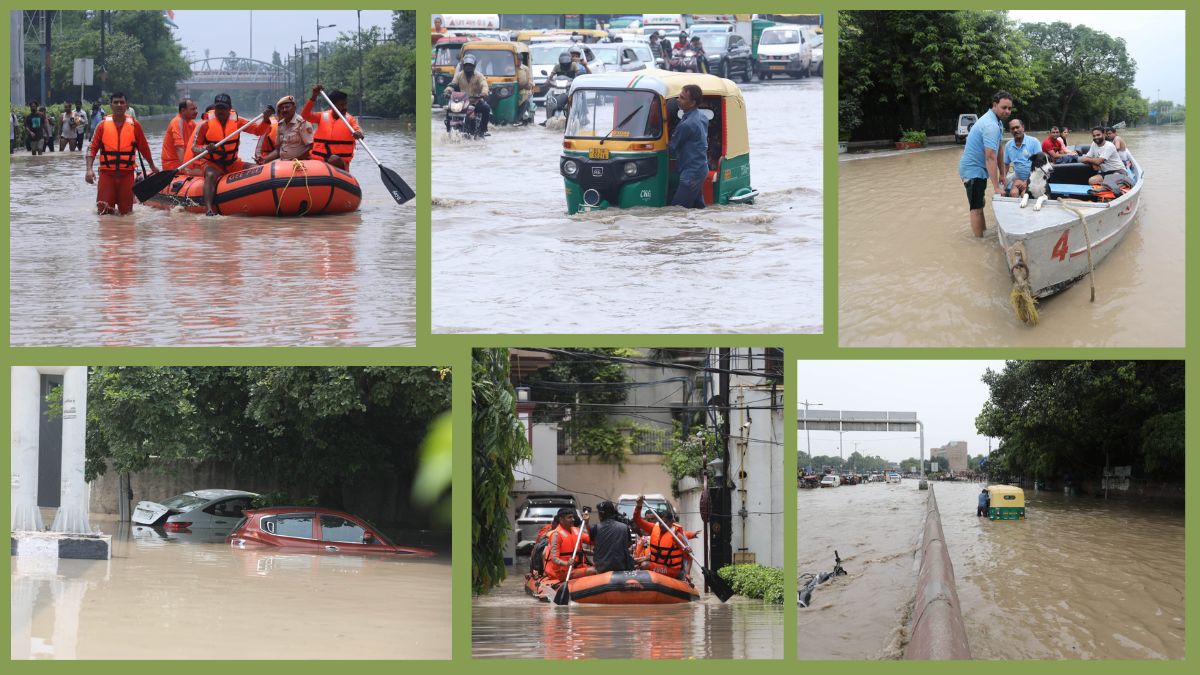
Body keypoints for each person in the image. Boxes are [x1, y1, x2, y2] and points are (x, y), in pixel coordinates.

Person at [189, 93, 271, 216]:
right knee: (210, 175)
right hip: (212, 163)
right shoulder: (205, 124)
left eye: (224, 108)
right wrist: (206, 148)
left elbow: (258, 131)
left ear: (230, 108)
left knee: (258, 169)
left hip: (233, 163)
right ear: (214, 108)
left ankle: (264, 200)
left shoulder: (238, 121)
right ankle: (209, 209)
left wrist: (265, 119)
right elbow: (194, 148)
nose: (221, 111)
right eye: (218, 108)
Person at [85, 92, 158, 215]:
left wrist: (152, 166)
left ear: (126, 105)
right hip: (107, 175)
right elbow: (91, 148)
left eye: (122, 102)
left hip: (127, 175)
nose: (119, 105)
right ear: (111, 105)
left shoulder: (135, 125)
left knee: (126, 214)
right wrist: (89, 169)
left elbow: (144, 148)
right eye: (116, 102)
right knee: (104, 213)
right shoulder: (102, 126)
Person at [957, 90, 1013, 237]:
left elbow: (999, 149)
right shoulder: (990, 125)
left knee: (980, 205)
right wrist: (996, 187)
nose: (1007, 111)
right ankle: (979, 243)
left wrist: (1003, 174)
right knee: (976, 208)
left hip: (979, 170)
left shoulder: (997, 122)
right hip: (973, 171)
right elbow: (990, 157)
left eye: (1010, 108)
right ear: (995, 105)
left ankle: (983, 235)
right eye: (1004, 107)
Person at [631, 495, 698, 580]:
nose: (662, 525)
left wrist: (687, 573)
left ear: (672, 522)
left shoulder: (676, 536)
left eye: (665, 522)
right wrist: (639, 505)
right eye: (660, 522)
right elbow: (637, 520)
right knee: (640, 564)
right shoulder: (654, 528)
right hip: (657, 565)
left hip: (672, 570)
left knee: (645, 565)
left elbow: (689, 557)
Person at [301, 85, 363, 170]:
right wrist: (314, 96)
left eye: (345, 104)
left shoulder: (350, 120)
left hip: (339, 165)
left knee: (334, 159)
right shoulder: (322, 116)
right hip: (319, 162)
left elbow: (358, 130)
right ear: (332, 105)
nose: (345, 108)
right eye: (341, 105)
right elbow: (305, 115)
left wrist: (359, 134)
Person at [668, 83, 710, 209]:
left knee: (677, 210)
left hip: (691, 173)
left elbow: (671, 147)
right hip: (700, 168)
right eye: (679, 96)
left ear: (692, 103)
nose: (678, 100)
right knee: (698, 208)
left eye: (682, 98)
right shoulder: (702, 117)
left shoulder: (687, 124)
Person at [443, 54, 492, 135]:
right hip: (462, 102)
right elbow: (452, 84)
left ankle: (483, 130)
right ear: (463, 66)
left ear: (474, 66)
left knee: (486, 108)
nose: (468, 67)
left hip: (475, 101)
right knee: (449, 109)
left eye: (470, 65)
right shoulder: (459, 75)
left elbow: (484, 85)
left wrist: (484, 93)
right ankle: (448, 130)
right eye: (466, 65)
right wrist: (447, 91)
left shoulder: (479, 76)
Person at [258, 95, 314, 163]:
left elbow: (311, 147)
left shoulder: (302, 123)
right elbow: (278, 150)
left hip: (300, 163)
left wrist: (295, 159)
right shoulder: (280, 124)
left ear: (294, 108)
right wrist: (265, 159)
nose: (284, 110)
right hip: (284, 162)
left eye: (287, 107)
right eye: (282, 108)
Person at [543, 507, 593, 582]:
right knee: (594, 570)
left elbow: (591, 541)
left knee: (599, 568)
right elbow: (554, 559)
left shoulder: (576, 530)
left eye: (573, 517)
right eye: (569, 517)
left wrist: (587, 524)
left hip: (578, 568)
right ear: (561, 519)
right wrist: (566, 563)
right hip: (565, 572)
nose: (573, 519)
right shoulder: (556, 535)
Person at [585, 501, 635, 574]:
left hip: (602, 569)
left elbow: (594, 541)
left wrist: (587, 523)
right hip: (622, 568)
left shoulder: (595, 528)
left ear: (601, 514)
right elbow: (628, 544)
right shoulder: (624, 527)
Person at [1081, 126, 1127, 193]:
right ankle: (1105, 189)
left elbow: (1098, 161)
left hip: (1118, 170)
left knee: (1111, 181)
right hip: (1106, 172)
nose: (1096, 137)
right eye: (1094, 136)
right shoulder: (1094, 144)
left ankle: (1111, 188)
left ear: (1104, 134)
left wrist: (1093, 161)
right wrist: (1093, 163)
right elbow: (1084, 158)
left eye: (1098, 135)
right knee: (1091, 181)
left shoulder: (1109, 146)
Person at [1003, 118, 1041, 197]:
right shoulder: (1008, 145)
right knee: (1013, 193)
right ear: (1010, 131)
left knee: (1025, 195)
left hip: (1033, 179)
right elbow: (1006, 164)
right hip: (1018, 179)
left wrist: (1028, 181)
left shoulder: (1034, 142)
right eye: (1012, 128)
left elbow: (1040, 165)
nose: (1015, 130)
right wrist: (1003, 178)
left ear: (1023, 127)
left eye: (1017, 127)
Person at [160, 98, 198, 171]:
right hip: (173, 165)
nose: (196, 112)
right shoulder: (177, 122)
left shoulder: (192, 124)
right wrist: (185, 168)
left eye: (196, 109)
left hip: (186, 162)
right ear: (183, 110)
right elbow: (179, 147)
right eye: (192, 109)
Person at [516, 50, 535, 124]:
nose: (518, 61)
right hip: (513, 91)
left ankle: (519, 118)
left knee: (526, 102)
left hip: (524, 92)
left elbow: (530, 81)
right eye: (517, 60)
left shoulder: (526, 69)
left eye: (520, 60)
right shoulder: (510, 68)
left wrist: (527, 85)